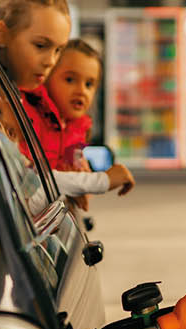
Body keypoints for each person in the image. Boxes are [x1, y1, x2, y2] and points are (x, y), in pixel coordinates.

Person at [0, 0, 134, 200]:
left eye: (57, 50)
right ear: (2, 34)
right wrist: (98, 181)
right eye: (41, 46)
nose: (50, 62)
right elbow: (24, 187)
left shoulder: (23, 97)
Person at [42, 38, 134, 207]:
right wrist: (98, 181)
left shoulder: (77, 132)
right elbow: (32, 182)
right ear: (46, 76)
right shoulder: (32, 120)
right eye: (70, 80)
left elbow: (77, 178)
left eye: (89, 84)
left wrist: (81, 178)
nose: (81, 90)